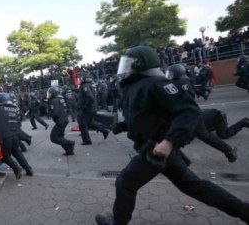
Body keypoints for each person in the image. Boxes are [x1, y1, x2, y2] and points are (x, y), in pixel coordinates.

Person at [95, 45, 249, 225]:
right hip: (159, 150)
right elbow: (147, 115)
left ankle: (118, 222)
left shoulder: (156, 83)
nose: (125, 69)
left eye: (129, 64)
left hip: (156, 148)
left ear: (140, 65)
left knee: (125, 181)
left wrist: (169, 142)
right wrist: (122, 125)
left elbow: (189, 112)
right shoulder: (136, 85)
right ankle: (244, 211)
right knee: (193, 186)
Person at [166, 64, 237, 162]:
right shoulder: (185, 81)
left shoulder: (177, 84)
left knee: (174, 138)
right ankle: (229, 150)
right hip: (193, 114)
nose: (168, 76)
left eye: (170, 74)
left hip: (186, 116)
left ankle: (174, 163)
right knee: (205, 136)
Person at [0, 92, 33, 178]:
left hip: (5, 137)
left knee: (3, 155)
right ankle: (28, 169)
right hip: (16, 136)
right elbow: (19, 123)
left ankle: (16, 168)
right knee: (18, 153)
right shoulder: (14, 108)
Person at [77, 74, 109, 145]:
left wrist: (85, 106)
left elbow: (90, 97)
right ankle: (104, 130)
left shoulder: (85, 86)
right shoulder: (90, 85)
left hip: (88, 109)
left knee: (82, 124)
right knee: (91, 123)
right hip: (92, 108)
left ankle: (87, 140)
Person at [47, 86, 75, 156]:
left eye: (50, 93)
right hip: (64, 120)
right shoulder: (61, 98)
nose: (49, 95)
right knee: (60, 136)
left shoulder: (54, 100)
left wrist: (49, 112)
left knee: (53, 138)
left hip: (60, 121)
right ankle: (69, 151)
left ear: (54, 93)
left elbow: (55, 113)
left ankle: (70, 143)